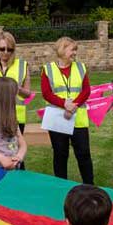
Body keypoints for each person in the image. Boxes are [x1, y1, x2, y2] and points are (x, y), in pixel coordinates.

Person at [40, 36, 93, 184]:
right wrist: (64, 104)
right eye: (72, 49)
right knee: (60, 154)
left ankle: (89, 185)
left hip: (79, 118)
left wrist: (73, 105)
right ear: (62, 50)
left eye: (75, 49)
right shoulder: (48, 69)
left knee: (83, 154)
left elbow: (86, 90)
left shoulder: (81, 67)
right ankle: (61, 186)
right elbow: (46, 93)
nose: (75, 52)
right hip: (58, 119)